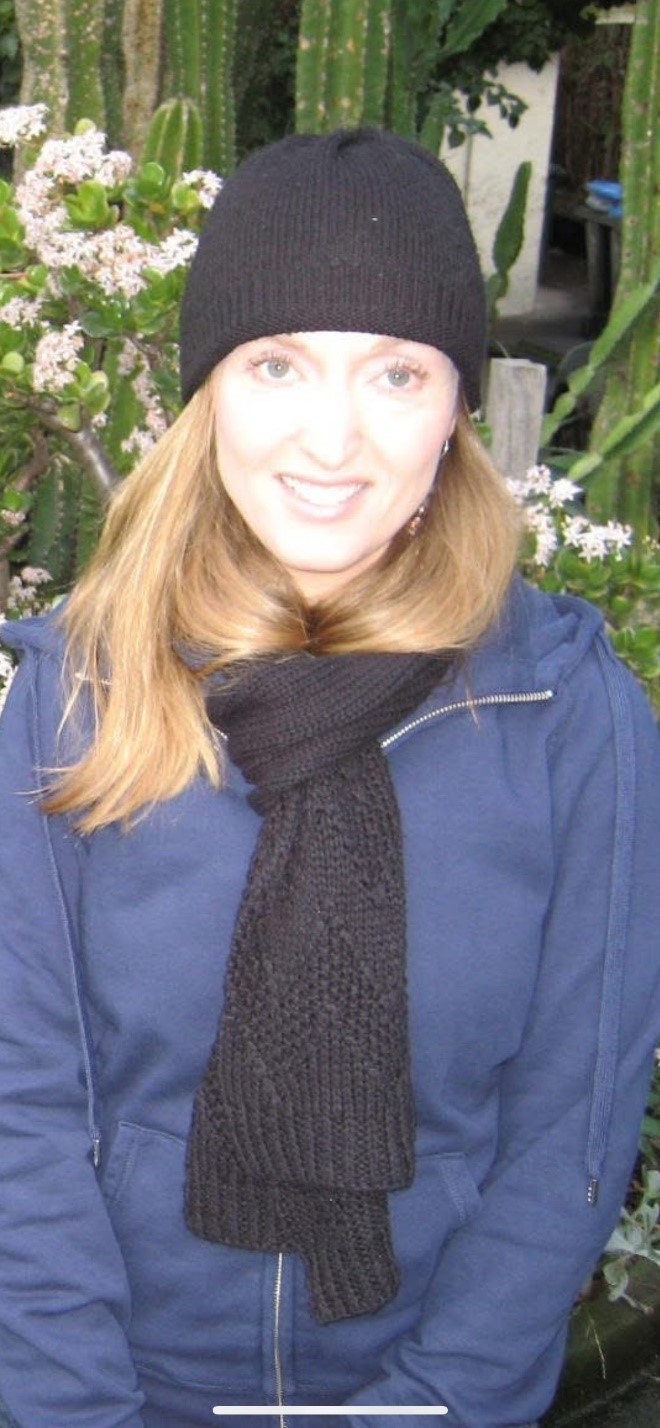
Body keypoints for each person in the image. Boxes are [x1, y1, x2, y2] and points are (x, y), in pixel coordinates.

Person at [0, 127, 658, 1428]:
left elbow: (568, 1134)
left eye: (398, 374)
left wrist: (438, 1411)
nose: (333, 439)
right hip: (120, 1387)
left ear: (458, 405)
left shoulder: (569, 713)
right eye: (280, 363)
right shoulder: (79, 692)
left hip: (431, 1391)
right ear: (210, 390)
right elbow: (20, 1099)